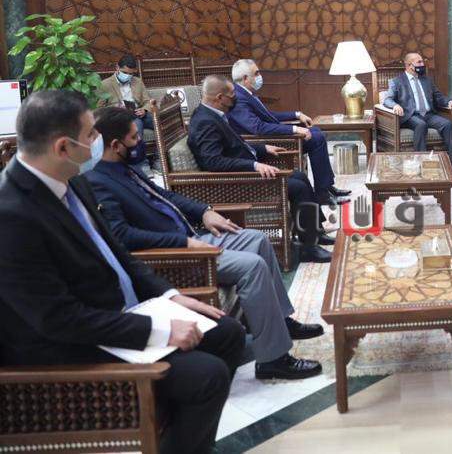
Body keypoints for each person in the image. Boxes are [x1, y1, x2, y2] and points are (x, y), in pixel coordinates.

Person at [0, 90, 245, 454]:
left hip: (119, 315)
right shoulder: (11, 214)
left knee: (227, 332)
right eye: (90, 135)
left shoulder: (72, 178)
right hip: (73, 346)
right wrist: (160, 331)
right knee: (206, 376)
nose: (97, 142)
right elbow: (59, 319)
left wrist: (171, 296)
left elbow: (118, 254)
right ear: (63, 147)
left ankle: (183, 439)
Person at [88, 106, 324, 380]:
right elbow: (122, 236)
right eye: (134, 138)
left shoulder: (124, 169)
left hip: (192, 236)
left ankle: (279, 322)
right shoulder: (98, 182)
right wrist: (183, 242)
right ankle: (273, 359)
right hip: (175, 255)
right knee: (253, 266)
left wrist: (204, 211)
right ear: (115, 145)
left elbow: (167, 196)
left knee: (257, 239)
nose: (140, 141)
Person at [188, 75, 332, 263]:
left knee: (299, 177)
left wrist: (262, 148)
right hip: (235, 184)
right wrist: (254, 165)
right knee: (298, 187)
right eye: (232, 94)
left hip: (244, 174)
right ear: (219, 98)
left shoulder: (213, 114)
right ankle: (309, 249)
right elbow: (213, 162)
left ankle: (314, 233)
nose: (235, 97)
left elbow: (233, 145)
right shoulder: (205, 122)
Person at [227, 59, 349, 205]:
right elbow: (258, 127)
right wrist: (294, 129)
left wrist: (297, 114)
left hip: (270, 136)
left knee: (316, 131)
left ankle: (327, 187)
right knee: (316, 139)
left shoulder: (247, 93)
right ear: (245, 78)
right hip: (264, 143)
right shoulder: (239, 98)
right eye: (256, 73)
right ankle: (322, 193)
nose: (260, 76)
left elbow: (269, 116)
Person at [383, 52, 452, 175]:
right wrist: (395, 105)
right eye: (419, 62)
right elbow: (387, 99)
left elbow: (438, 97)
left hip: (428, 114)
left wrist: (449, 102)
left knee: (448, 124)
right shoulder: (397, 81)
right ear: (409, 65)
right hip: (410, 116)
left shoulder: (427, 80)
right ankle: (421, 163)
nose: (422, 64)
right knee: (421, 125)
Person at [96, 54, 153, 169]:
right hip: (121, 118)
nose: (128, 76)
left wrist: (144, 109)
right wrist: (115, 109)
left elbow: (147, 101)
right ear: (117, 67)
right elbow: (98, 109)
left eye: (131, 74)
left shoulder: (138, 81)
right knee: (136, 125)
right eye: (125, 73)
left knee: (159, 121)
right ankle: (140, 165)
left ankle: (159, 157)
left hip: (138, 113)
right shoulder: (105, 85)